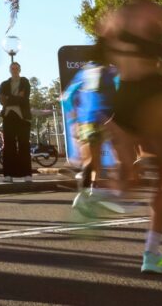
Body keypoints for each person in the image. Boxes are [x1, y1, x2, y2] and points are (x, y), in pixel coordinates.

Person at [98, 0, 162, 274]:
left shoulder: (111, 17)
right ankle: (151, 253)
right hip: (149, 89)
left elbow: (103, 52)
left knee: (129, 164)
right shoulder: (154, 12)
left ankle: (111, 195)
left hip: (124, 90)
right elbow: (151, 48)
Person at [63, 59, 118, 217]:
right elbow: (112, 97)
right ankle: (86, 194)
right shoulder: (104, 71)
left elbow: (66, 96)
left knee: (93, 159)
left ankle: (94, 190)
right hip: (100, 118)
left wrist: (74, 117)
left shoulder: (84, 71)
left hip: (86, 120)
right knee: (95, 159)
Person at [0, 62, 32, 183]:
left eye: (16, 68)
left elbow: (24, 98)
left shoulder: (25, 82)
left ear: (20, 69)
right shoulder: (4, 84)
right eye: (12, 68)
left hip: (23, 117)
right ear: (9, 70)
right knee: (9, 146)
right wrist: (16, 97)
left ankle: (27, 174)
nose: (14, 70)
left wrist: (9, 98)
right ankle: (8, 175)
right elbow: (2, 100)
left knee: (24, 145)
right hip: (8, 116)